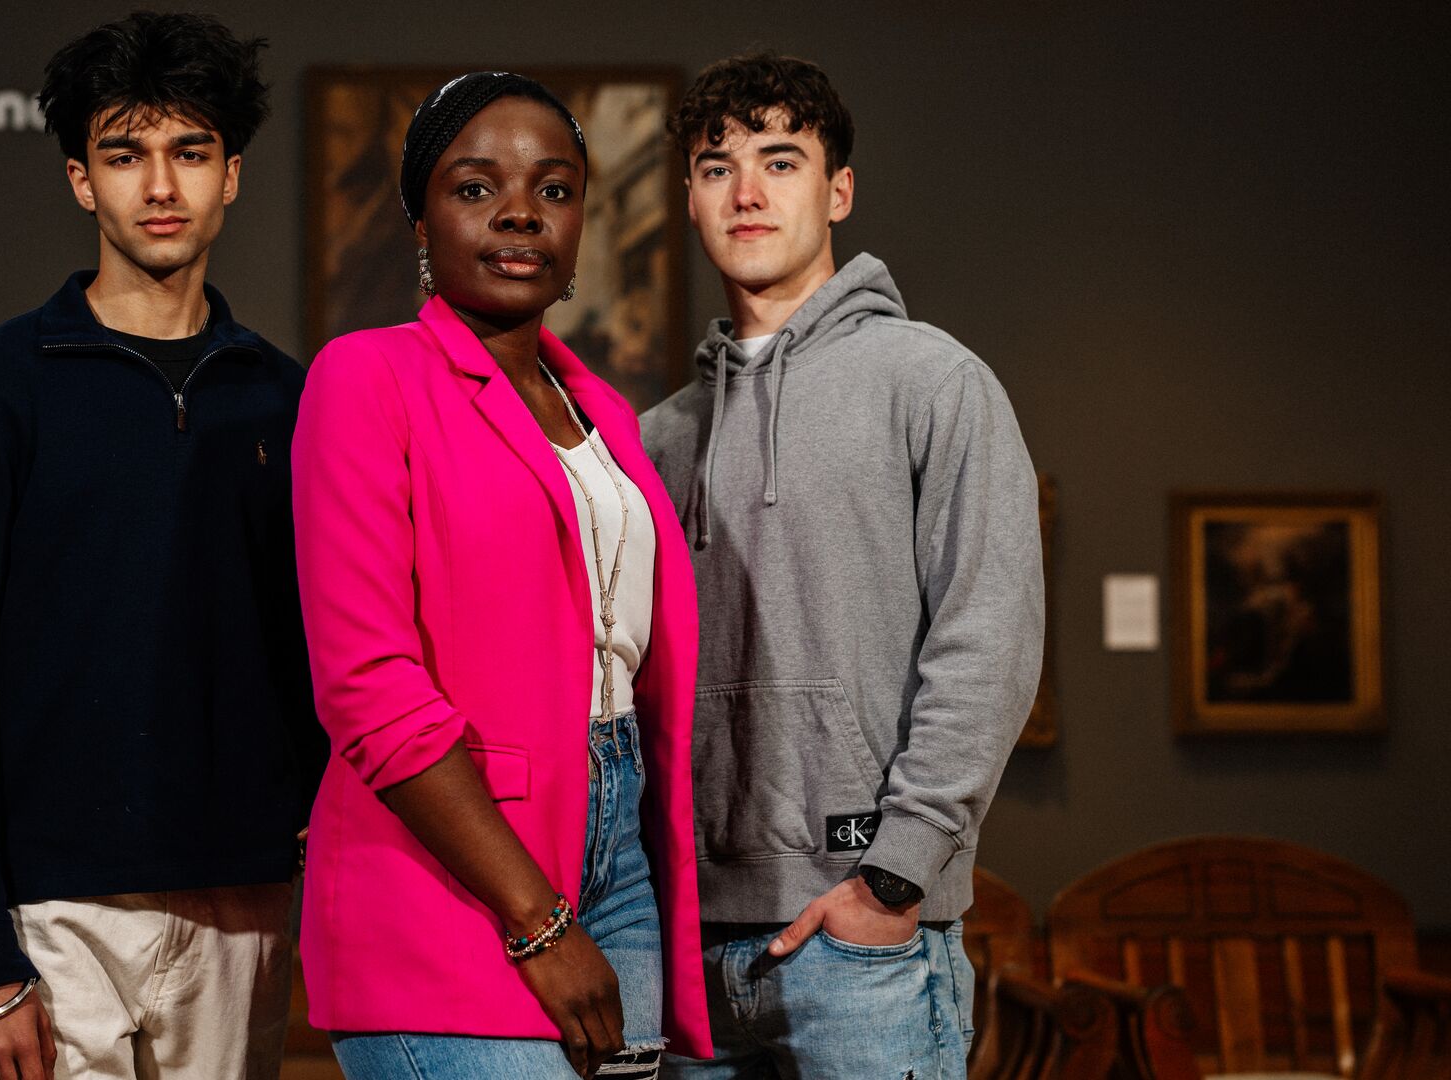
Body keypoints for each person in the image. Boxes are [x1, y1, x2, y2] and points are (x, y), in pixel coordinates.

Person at [0, 12, 325, 1080]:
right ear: (82, 180)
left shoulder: (287, 397)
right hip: (48, 918)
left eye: (190, 153)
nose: (161, 186)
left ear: (234, 175)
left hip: (241, 911)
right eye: (126, 156)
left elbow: (319, 654)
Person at [291, 72, 711, 1080]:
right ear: (420, 224)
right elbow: (368, 686)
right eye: (476, 188)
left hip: (619, 856)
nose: (521, 211)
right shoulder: (365, 377)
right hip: (456, 871)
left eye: (555, 191)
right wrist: (536, 923)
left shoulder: (603, 411)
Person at [640, 52, 1045, 1080]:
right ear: (688, 196)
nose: (747, 192)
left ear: (839, 190)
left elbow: (987, 641)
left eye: (781, 161)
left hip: (864, 946)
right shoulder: (659, 439)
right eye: (716, 165)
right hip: (686, 951)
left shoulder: (934, 383)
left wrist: (893, 882)